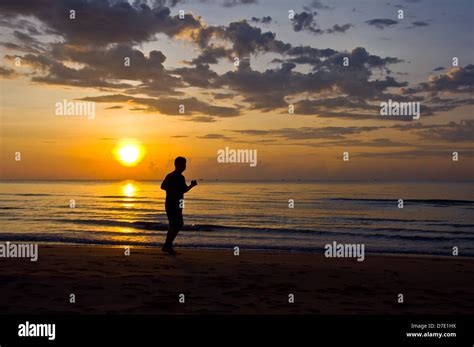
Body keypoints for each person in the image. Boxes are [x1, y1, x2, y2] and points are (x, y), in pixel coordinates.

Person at [160, 156, 197, 255]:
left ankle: (167, 246)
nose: (185, 166)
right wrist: (192, 186)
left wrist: (171, 190)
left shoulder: (170, 175)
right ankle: (167, 245)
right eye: (183, 164)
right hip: (176, 203)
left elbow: (163, 186)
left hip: (171, 202)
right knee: (178, 225)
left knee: (173, 225)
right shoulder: (179, 177)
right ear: (178, 165)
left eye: (185, 164)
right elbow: (183, 190)